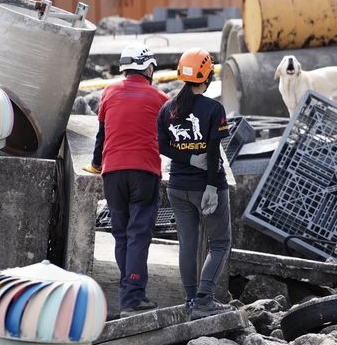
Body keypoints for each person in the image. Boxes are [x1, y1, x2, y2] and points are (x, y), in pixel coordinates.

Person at [83, 43, 169, 318]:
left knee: (121, 234)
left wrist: (97, 165)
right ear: (148, 68)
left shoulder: (108, 93)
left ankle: (129, 290)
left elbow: (101, 136)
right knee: (139, 233)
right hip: (144, 173)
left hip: (113, 173)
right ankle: (132, 297)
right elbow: (173, 137)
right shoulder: (160, 98)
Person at [157, 47, 233, 319]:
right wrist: (212, 187)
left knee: (187, 244)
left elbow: (162, 146)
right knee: (220, 243)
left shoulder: (168, 108)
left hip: (177, 187)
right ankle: (204, 298)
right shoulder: (214, 109)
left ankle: (190, 301)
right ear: (208, 75)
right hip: (207, 186)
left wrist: (187, 160)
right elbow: (213, 152)